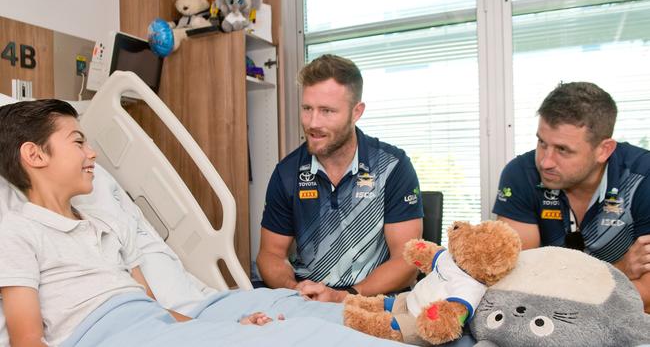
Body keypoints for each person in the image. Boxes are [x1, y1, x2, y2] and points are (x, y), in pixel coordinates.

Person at [0, 100, 410, 347]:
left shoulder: (105, 224)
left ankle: (420, 316)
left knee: (285, 329)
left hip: (155, 328)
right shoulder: (19, 231)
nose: (93, 154)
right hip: (108, 336)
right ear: (35, 156)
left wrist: (229, 326)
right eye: (77, 142)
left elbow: (153, 309)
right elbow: (26, 340)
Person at [256, 54, 424, 303]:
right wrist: (297, 291)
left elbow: (408, 258)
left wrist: (343, 297)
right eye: (307, 109)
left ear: (356, 112)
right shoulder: (287, 172)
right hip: (307, 302)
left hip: (373, 302)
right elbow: (270, 255)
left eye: (327, 111)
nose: (313, 123)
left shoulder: (393, 166)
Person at [493, 82, 650, 311]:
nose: (545, 161)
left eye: (563, 150)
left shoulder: (643, 177)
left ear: (604, 150)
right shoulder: (519, 174)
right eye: (542, 142)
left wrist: (556, 286)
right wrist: (617, 271)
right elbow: (518, 284)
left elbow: (646, 295)